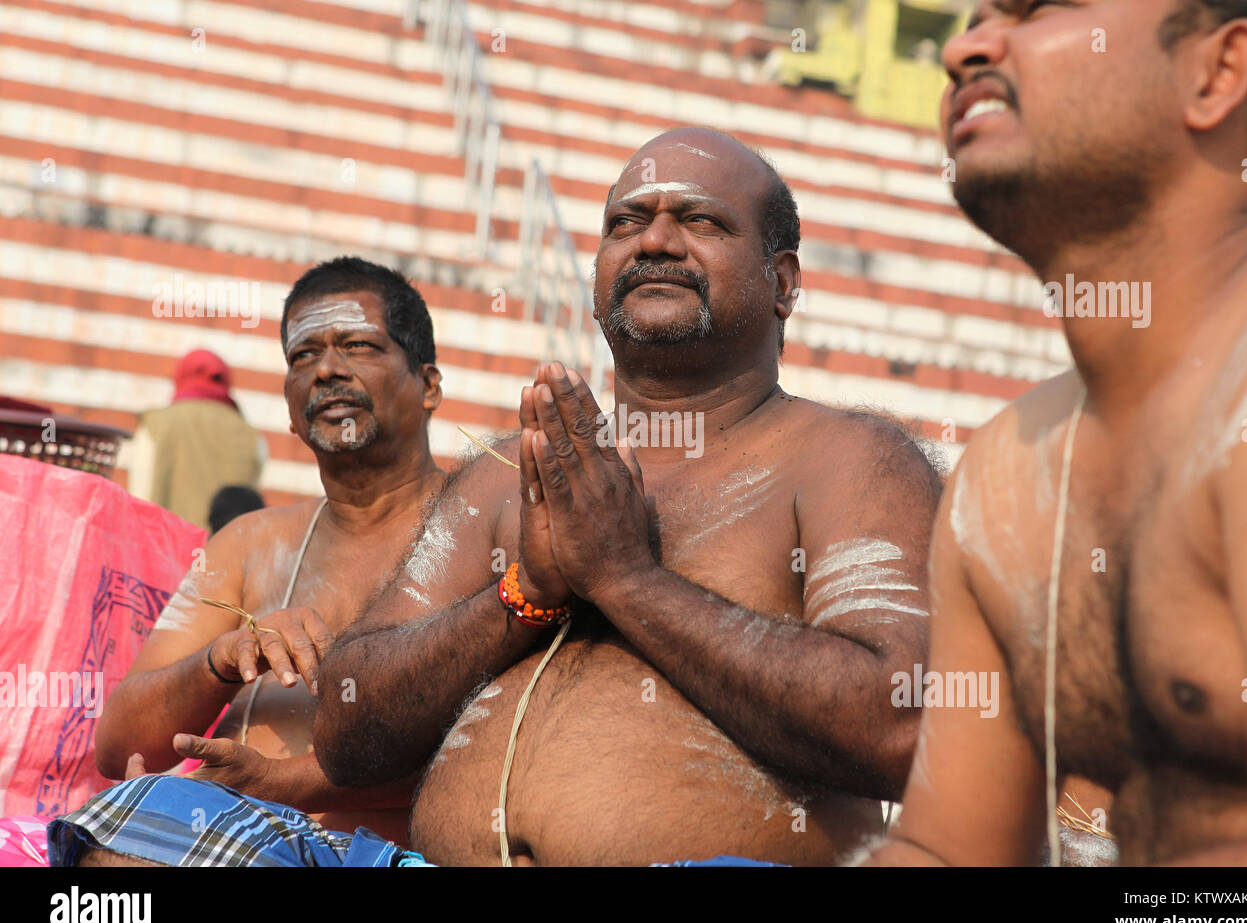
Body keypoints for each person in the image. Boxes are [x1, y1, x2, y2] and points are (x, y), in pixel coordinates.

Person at [49, 128, 943, 867]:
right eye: (626, 222)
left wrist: (629, 581)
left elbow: (900, 726)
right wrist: (526, 597)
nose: (656, 240)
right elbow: (351, 718)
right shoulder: (506, 473)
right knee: (137, 833)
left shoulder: (851, 457)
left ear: (784, 283)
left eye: (699, 220)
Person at [864, 0, 1247, 866]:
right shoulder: (1004, 475)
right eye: (973, 16)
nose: (963, 48)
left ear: (1214, 75)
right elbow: (946, 852)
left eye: (1037, 8)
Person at [86, 256, 446, 850]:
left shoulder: (485, 523)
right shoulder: (250, 543)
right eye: (303, 356)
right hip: (216, 843)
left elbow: (500, 741)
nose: (327, 368)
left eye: (356, 346)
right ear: (288, 410)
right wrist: (222, 660)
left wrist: (290, 784)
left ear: (429, 385)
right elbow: (121, 744)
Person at [129, 349, 264, 531]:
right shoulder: (251, 435)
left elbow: (140, 498)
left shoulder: (156, 424)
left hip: (165, 551)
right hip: (227, 554)